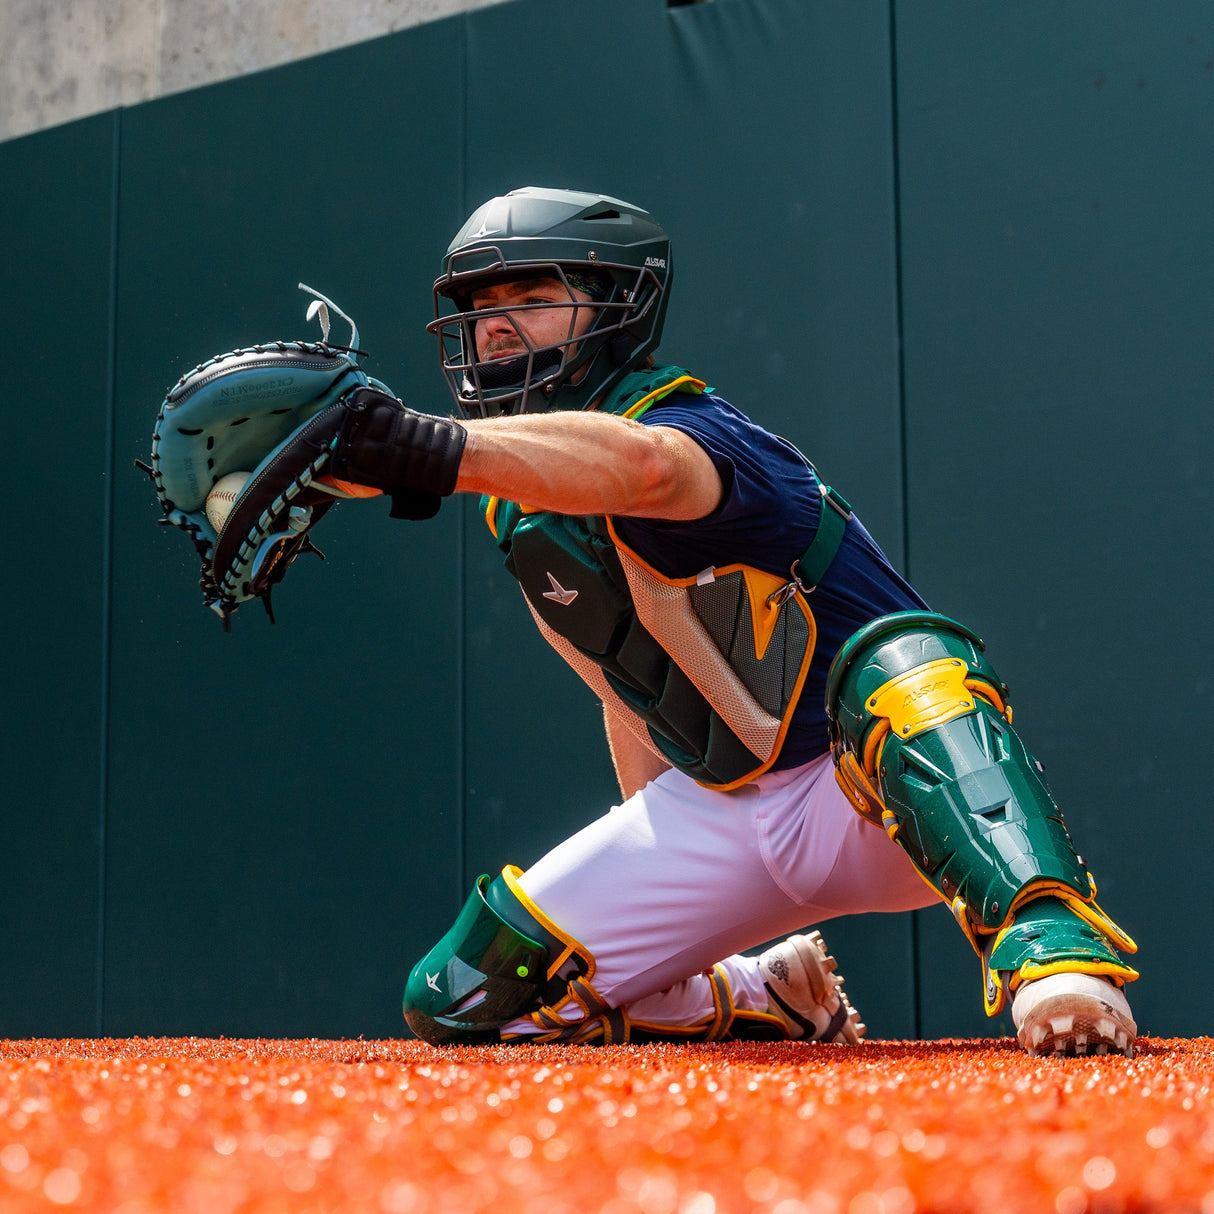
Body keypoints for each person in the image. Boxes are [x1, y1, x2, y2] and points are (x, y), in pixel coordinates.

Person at [324, 186, 1139, 1056]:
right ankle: (769, 998)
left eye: (530, 300)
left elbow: (639, 469)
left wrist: (426, 449)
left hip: (876, 796)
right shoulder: (519, 510)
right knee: (463, 995)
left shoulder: (689, 427)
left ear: (617, 307)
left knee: (908, 661)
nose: (494, 326)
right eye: (482, 308)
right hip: (729, 809)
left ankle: (1053, 950)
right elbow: (625, 688)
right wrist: (675, 915)